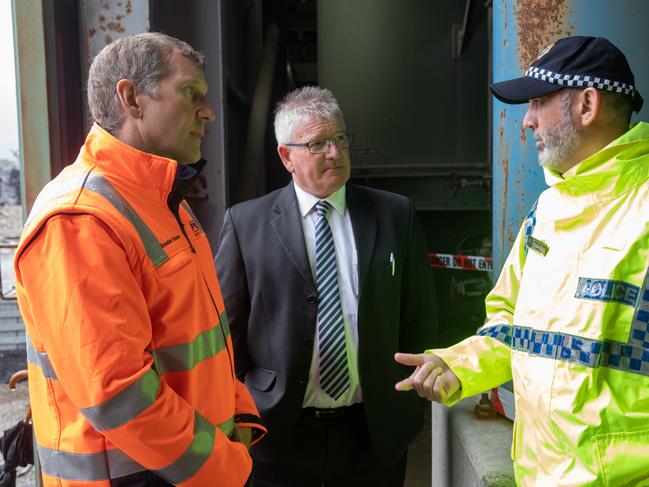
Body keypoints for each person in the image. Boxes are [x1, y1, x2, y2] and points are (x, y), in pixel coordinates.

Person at [13, 32, 266, 487]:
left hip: (188, 470)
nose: (208, 112)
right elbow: (119, 395)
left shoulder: (164, 202)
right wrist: (226, 469)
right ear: (131, 98)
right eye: (191, 93)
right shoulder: (80, 219)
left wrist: (239, 421)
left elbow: (205, 341)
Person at [395, 35, 649, 486]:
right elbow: (512, 326)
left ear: (586, 105)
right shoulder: (547, 213)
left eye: (537, 102)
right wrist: (459, 364)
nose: (526, 121)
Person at [215, 86, 436, 486]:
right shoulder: (246, 224)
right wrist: (243, 407)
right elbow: (227, 336)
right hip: (278, 432)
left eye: (339, 139)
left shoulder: (394, 214)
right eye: (317, 144)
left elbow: (419, 315)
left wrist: (408, 402)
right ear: (287, 156)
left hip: (373, 433)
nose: (335, 153)